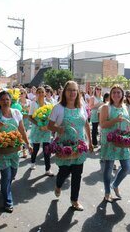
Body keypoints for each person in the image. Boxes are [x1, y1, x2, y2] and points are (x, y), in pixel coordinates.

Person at [48, 81, 93, 211]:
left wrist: (90, 142)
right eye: (69, 90)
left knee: (77, 174)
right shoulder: (58, 108)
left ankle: (74, 200)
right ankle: (58, 185)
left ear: (78, 92)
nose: (72, 93)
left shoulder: (82, 106)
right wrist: (59, 128)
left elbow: (86, 125)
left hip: (79, 146)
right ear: (64, 92)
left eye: (75, 90)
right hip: (65, 147)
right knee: (64, 171)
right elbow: (50, 125)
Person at [0, 91, 32, 213]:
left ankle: (5, 189)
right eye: (2, 99)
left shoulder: (17, 113)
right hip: (1, 151)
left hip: (14, 150)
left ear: (10, 101)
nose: (5, 101)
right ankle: (8, 201)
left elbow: (22, 130)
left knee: (13, 174)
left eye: (7, 99)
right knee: (6, 176)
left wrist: (28, 144)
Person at [100, 85, 130, 202]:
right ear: (111, 94)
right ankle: (107, 192)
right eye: (114, 92)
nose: (116, 94)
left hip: (123, 141)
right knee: (108, 168)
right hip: (110, 141)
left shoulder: (125, 107)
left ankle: (115, 184)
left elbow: (127, 123)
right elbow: (102, 124)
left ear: (122, 94)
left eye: (119, 92)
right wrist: (115, 120)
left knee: (127, 167)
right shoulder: (105, 107)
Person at [28, 87, 54, 175]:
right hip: (37, 129)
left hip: (46, 129)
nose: (41, 94)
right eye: (39, 92)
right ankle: (32, 162)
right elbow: (30, 117)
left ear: (45, 93)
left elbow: (51, 116)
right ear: (36, 94)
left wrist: (48, 125)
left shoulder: (48, 104)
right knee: (36, 148)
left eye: (42, 92)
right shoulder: (33, 104)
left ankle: (48, 169)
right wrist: (39, 124)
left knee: (47, 149)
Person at [19, 88, 31, 158]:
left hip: (26, 120)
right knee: (21, 135)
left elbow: (30, 111)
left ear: (25, 94)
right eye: (20, 93)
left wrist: (27, 110)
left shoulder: (29, 101)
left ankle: (23, 149)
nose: (21, 94)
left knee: (24, 135)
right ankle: (23, 150)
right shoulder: (17, 102)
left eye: (23, 93)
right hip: (20, 120)